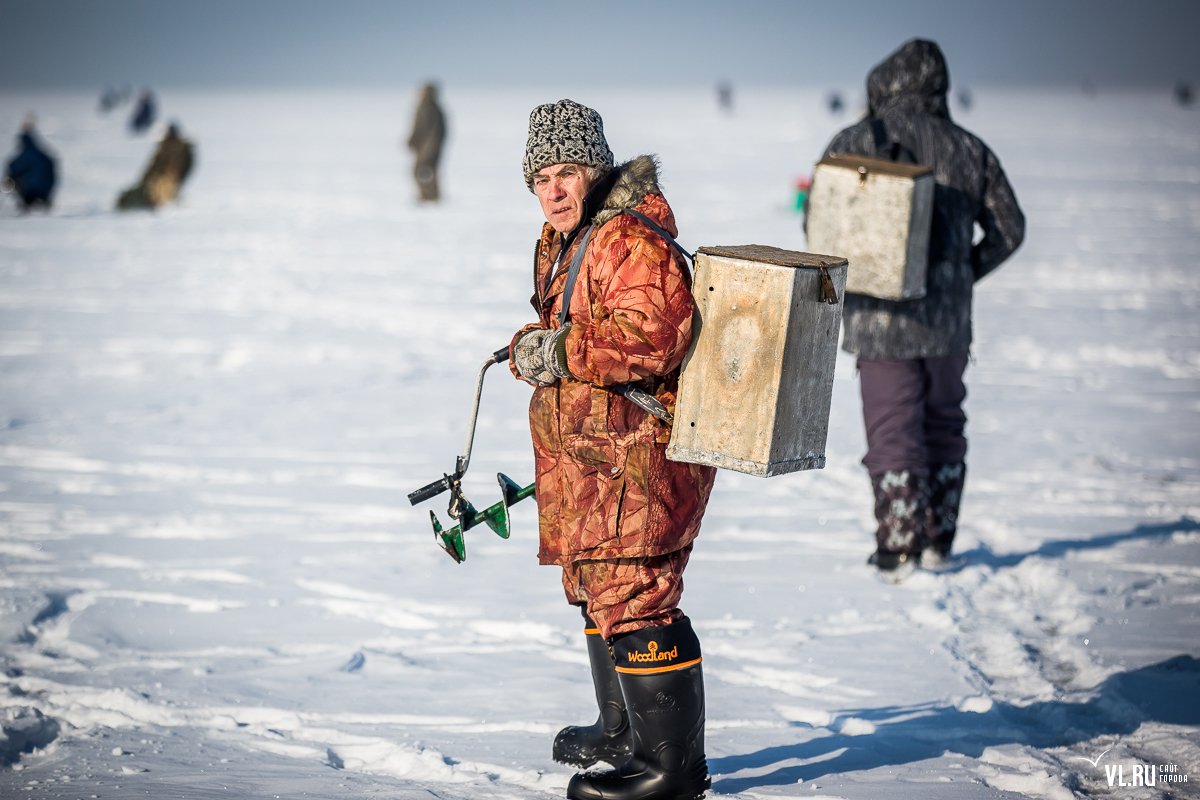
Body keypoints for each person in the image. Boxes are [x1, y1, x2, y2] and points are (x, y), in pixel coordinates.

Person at [508, 99, 715, 800]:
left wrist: (559, 350)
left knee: (637, 593)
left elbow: (656, 336)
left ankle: (672, 771)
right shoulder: (565, 237)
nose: (553, 190)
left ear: (594, 170)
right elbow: (571, 330)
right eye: (540, 177)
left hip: (640, 455)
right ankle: (624, 731)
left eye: (565, 173)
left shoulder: (631, 239)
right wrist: (534, 350)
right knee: (595, 585)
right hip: (592, 455)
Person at [813, 40, 1025, 578]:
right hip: (947, 324)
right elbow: (1010, 228)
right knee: (944, 422)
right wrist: (961, 274)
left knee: (892, 429)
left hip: (877, 321)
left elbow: (820, 227)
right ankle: (939, 540)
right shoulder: (969, 147)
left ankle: (898, 545)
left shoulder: (853, 140)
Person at [117, 123, 194, 210]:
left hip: (167, 180)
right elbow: (153, 164)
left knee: (154, 191)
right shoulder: (164, 146)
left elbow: (181, 169)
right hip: (157, 178)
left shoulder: (181, 149)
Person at [3, 117, 57, 212]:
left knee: (14, 180)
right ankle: (44, 202)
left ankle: (25, 205)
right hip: (46, 192)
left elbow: (12, 167)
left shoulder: (25, 155)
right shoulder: (44, 156)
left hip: (31, 192)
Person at [407, 83, 446, 202]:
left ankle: (427, 196)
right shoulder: (438, 110)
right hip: (434, 148)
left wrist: (412, 141)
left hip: (425, 148)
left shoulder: (424, 109)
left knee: (418, 171)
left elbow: (419, 129)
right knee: (430, 172)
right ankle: (433, 196)